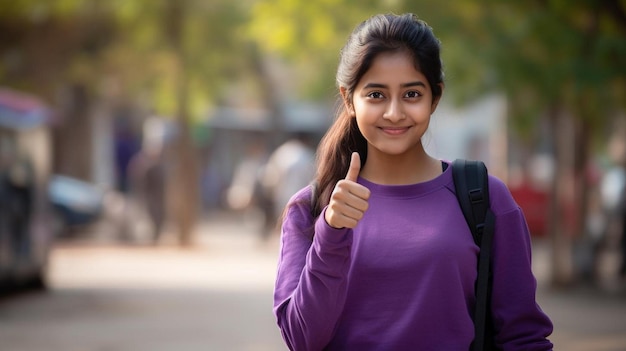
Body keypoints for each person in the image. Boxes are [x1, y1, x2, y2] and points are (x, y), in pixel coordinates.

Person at [273, 13, 553, 350]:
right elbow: (301, 340)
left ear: (435, 97)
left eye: (411, 94)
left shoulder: (486, 198)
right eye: (376, 95)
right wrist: (330, 236)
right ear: (349, 99)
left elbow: (523, 337)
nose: (394, 112)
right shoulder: (311, 209)